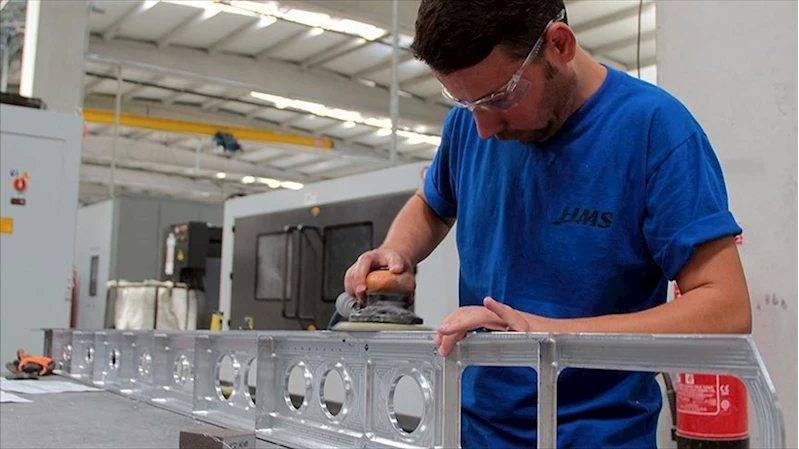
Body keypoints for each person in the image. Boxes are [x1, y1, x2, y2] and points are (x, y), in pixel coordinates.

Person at [344, 0, 752, 447]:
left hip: (597, 435)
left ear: (559, 45)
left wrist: (543, 333)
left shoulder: (654, 129)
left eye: (501, 97)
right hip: (473, 430)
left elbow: (725, 308)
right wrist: (397, 250)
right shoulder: (469, 125)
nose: (484, 128)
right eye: (465, 102)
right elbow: (432, 204)